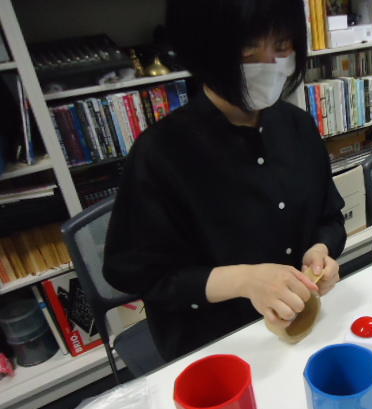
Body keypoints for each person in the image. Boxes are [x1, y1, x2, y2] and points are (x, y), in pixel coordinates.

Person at [103, 0, 346, 362]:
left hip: (302, 325)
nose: (270, 63)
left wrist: (321, 251)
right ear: (204, 48)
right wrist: (244, 280)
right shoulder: (161, 152)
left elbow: (330, 217)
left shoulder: (298, 126)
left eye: (281, 45)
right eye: (248, 48)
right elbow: (136, 274)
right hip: (217, 343)